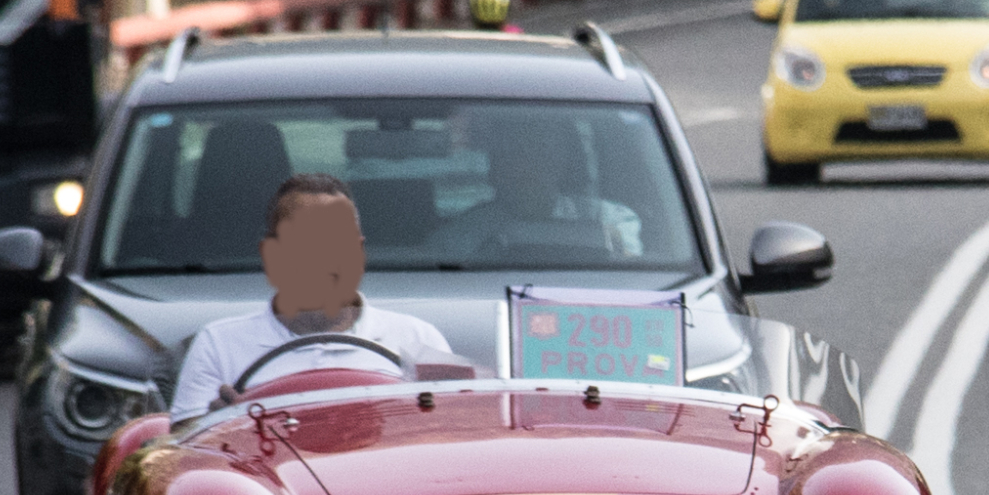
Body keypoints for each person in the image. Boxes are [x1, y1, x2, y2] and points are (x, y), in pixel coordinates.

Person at [169, 174, 455, 416]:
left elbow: (453, 439)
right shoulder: (219, 345)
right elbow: (185, 461)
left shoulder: (419, 340)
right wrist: (214, 425)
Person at [440, 112, 642, 261]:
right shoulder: (466, 233)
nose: (528, 165)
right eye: (515, 154)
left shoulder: (613, 219)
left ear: (564, 162)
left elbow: (634, 279)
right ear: (497, 168)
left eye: (540, 152)